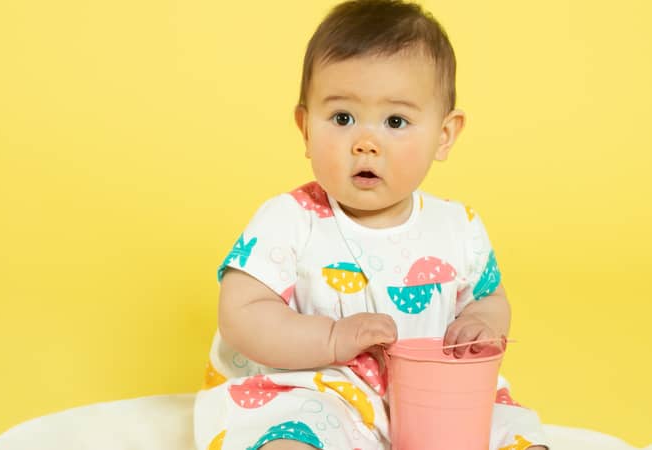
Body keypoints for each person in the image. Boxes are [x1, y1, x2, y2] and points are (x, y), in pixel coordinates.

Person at [193, 1, 549, 449]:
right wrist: (332, 338)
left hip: (439, 394)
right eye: (342, 118)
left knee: (506, 427)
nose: (365, 143)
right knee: (293, 433)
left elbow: (489, 296)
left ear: (444, 135)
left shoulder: (458, 226)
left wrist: (481, 323)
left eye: (395, 121)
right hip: (322, 393)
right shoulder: (290, 219)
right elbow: (241, 314)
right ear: (306, 128)